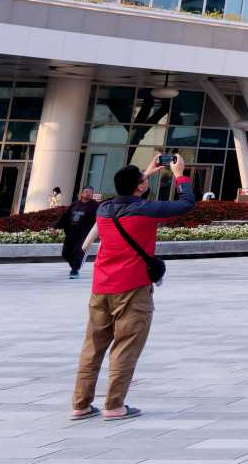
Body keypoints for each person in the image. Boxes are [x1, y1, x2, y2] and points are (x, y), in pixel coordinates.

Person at [71, 156, 195, 421]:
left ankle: (80, 404)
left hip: (100, 288)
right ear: (140, 187)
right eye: (142, 180)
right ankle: (114, 405)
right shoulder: (145, 209)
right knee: (125, 346)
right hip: (132, 288)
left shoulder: (103, 209)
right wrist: (180, 174)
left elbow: (127, 191)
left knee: (92, 347)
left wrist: (146, 173)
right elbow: (186, 204)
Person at [55, 187, 101, 279]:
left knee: (79, 251)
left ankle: (75, 270)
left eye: (90, 192)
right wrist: (55, 227)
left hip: (85, 233)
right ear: (81, 194)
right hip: (71, 232)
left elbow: (100, 219)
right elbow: (65, 216)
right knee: (65, 253)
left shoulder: (95, 206)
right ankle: (74, 266)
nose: (88, 194)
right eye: (86, 192)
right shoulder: (74, 204)